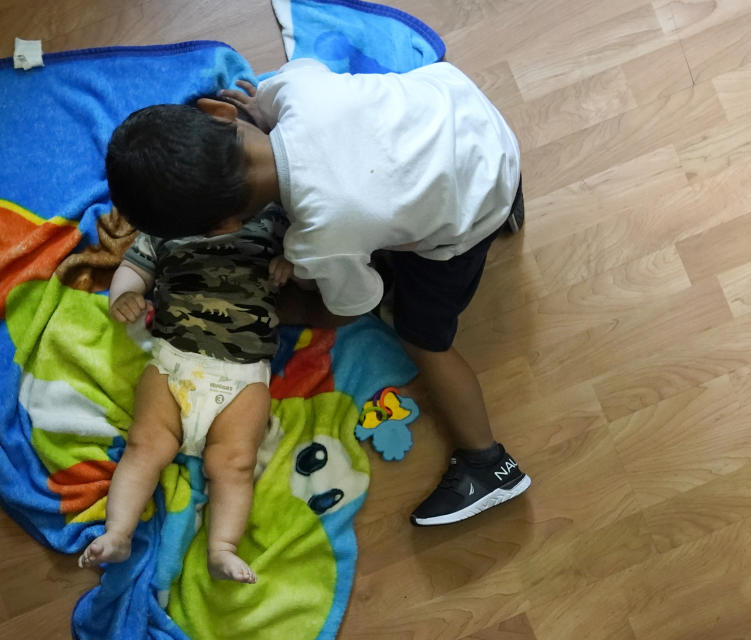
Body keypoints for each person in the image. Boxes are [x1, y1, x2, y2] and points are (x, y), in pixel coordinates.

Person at [103, 57, 531, 528]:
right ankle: (501, 187)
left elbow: (356, 304)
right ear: (219, 112)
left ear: (222, 228)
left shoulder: (317, 240)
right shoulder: (294, 87)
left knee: (420, 333)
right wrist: (264, 114)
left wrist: (288, 306)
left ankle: (489, 465)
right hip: (464, 110)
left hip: (476, 205)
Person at [77, 201, 290, 583]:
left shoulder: (272, 219)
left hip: (243, 375)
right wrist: (123, 295)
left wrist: (295, 265)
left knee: (235, 464)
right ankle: (118, 532)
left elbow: (311, 255)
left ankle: (222, 548)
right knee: (145, 447)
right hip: (175, 360)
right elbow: (133, 268)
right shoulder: (168, 220)